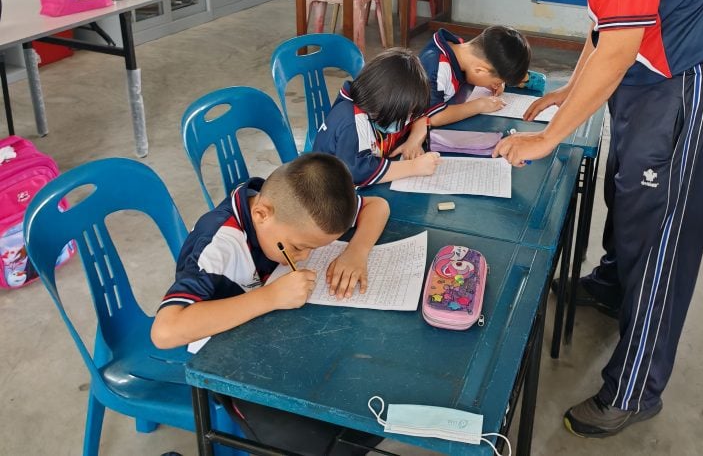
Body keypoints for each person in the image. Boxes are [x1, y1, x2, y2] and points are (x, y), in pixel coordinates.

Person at [497, 0, 703, 438]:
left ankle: (634, 389)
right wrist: (565, 96)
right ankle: (611, 284)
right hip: (648, 77)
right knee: (627, 194)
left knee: (663, 233)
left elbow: (616, 48)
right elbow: (605, 32)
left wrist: (549, 138)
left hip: (685, 85)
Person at [151, 153, 389, 454]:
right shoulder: (218, 246)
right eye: (299, 247)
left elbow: (377, 205)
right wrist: (271, 296)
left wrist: (356, 251)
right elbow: (166, 331)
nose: (303, 256)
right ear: (261, 214)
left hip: (276, 335)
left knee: (365, 402)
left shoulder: (296, 209)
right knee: (320, 443)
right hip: (226, 361)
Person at [313, 47, 441, 186]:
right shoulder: (351, 121)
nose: (408, 120)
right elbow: (356, 172)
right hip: (326, 194)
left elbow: (421, 118)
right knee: (381, 206)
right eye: (407, 114)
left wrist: (413, 141)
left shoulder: (376, 109)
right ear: (386, 103)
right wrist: (414, 167)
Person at [418, 25, 532, 127]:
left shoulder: (461, 51)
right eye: (497, 82)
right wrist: (478, 106)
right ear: (480, 70)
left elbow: (469, 73)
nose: (496, 85)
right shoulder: (436, 68)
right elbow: (432, 117)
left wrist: (489, 82)